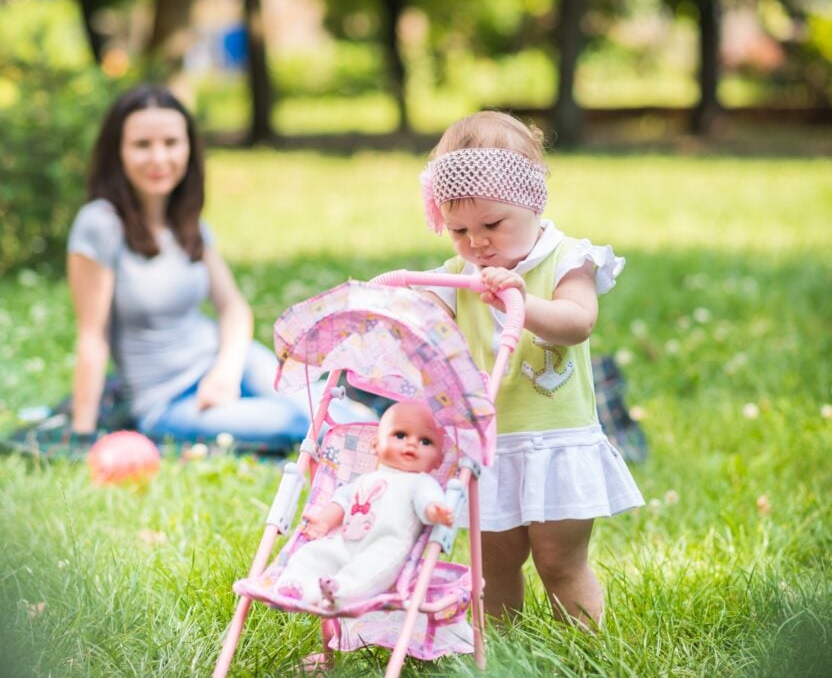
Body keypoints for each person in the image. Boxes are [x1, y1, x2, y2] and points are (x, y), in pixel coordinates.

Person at [417, 110, 644, 629]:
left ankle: (585, 648)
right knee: (492, 567)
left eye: (492, 225)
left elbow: (577, 322)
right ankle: (502, 652)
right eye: (458, 231)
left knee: (560, 562)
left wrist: (519, 300)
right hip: (492, 447)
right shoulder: (458, 276)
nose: (477, 243)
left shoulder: (567, 259)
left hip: (556, 441)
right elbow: (427, 326)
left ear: (531, 202)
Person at [65, 83, 317, 454]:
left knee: (320, 404)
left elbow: (233, 309)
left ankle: (398, 438)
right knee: (295, 421)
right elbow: (93, 336)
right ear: (116, 152)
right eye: (141, 145)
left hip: (227, 361)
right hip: (167, 402)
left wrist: (225, 371)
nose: (158, 158)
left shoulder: (187, 223)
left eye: (171, 142)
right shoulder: (99, 224)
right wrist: (82, 435)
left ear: (189, 149)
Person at [273, 401, 454, 610]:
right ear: (376, 445)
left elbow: (427, 501)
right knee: (313, 553)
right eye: (401, 435)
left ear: (438, 460)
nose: (411, 444)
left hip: (386, 547)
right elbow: (342, 499)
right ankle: (297, 587)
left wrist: (434, 510)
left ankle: (341, 593)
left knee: (370, 569)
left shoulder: (421, 482)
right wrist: (324, 521)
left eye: (425, 441)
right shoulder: (366, 479)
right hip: (346, 541)